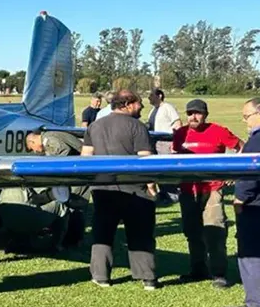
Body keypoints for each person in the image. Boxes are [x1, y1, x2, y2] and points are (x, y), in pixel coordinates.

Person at [82, 90, 160, 290]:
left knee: (102, 232)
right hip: (134, 188)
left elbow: (86, 158)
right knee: (141, 232)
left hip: (102, 188)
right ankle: (147, 277)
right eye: (139, 103)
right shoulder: (137, 127)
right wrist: (151, 185)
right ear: (127, 104)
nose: (141, 107)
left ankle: (101, 276)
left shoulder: (95, 126)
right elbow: (145, 159)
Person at [171, 99, 242, 287]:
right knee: (191, 230)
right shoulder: (180, 133)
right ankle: (197, 269)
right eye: (190, 113)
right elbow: (176, 157)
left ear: (205, 115)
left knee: (214, 229)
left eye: (198, 113)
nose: (193, 117)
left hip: (212, 188)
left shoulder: (219, 131)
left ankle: (219, 273)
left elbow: (241, 147)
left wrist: (233, 172)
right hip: (188, 189)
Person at [226, 99, 260, 307]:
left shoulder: (256, 141)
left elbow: (250, 174)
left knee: (250, 253)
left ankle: (255, 303)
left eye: (247, 116)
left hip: (255, 206)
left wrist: (240, 198)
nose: (244, 120)